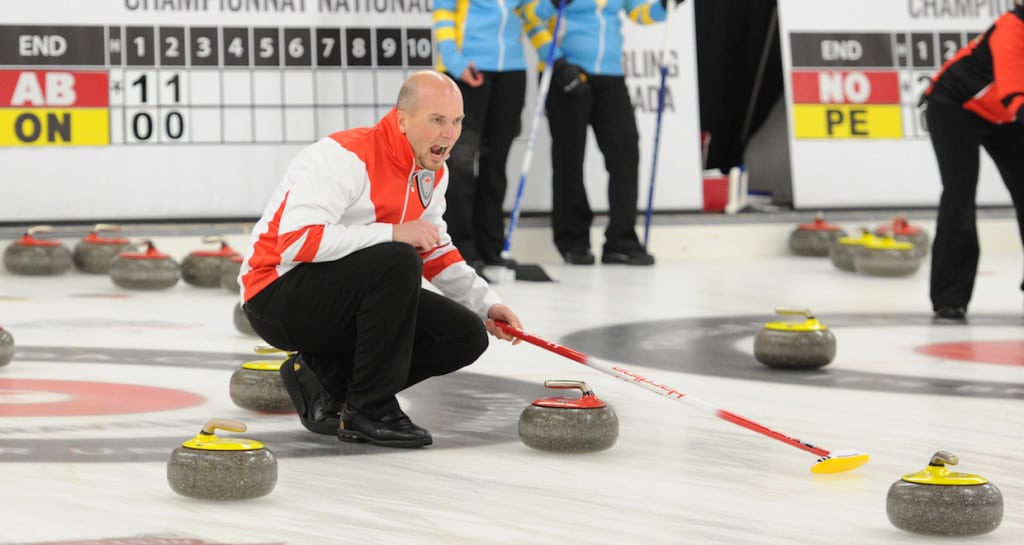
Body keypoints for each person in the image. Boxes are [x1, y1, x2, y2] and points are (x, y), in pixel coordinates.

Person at [238, 70, 523, 448]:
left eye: (456, 121)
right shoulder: (344, 156)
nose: (450, 133)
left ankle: (328, 381)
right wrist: (393, 233)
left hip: (346, 294)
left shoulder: (433, 173)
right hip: (276, 295)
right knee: (398, 258)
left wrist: (488, 305)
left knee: (465, 334)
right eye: (437, 120)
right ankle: (371, 409)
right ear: (402, 119)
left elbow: (435, 247)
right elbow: (294, 242)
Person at [522, 0, 685, 266]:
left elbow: (639, 13)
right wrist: (558, 62)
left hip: (610, 75)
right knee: (569, 159)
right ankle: (573, 239)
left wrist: (664, 6)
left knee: (625, 152)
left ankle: (621, 241)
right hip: (567, 72)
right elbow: (530, 15)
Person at [920, 2, 1024, 321]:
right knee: (960, 192)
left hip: (1001, 115)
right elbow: (1013, 94)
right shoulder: (1012, 27)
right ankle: (950, 297)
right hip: (955, 105)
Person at [432, 0, 530, 275]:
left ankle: (491, 247)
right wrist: (454, 61)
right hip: (468, 67)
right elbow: (443, 10)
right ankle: (461, 247)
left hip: (511, 69)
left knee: (496, 162)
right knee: (461, 164)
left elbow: (532, 11)